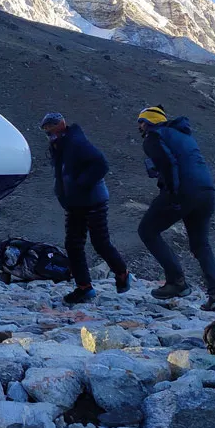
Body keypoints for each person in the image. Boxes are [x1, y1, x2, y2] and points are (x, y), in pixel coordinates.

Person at [136, 105, 215, 311]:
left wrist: (172, 193)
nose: (140, 126)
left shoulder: (154, 136)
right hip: (206, 192)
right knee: (200, 244)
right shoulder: (183, 135)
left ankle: (176, 282)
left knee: (147, 230)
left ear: (151, 121)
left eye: (142, 121)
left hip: (183, 191)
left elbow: (168, 165)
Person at [40, 112, 130, 304]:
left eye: (50, 126)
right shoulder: (61, 146)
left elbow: (101, 164)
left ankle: (122, 274)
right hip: (75, 203)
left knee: (99, 242)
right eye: (46, 129)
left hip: (92, 200)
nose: (48, 131)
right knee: (73, 244)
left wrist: (80, 184)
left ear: (61, 124)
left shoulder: (76, 143)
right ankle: (84, 287)